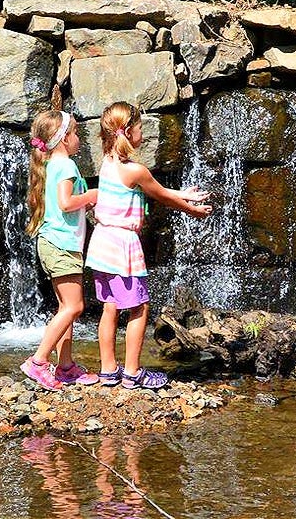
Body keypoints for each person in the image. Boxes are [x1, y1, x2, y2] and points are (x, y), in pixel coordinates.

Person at [86, 101, 212, 390]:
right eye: (141, 128)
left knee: (109, 307)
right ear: (130, 131)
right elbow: (160, 195)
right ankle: (132, 373)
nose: (143, 133)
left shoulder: (108, 161)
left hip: (101, 244)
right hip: (123, 248)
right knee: (139, 308)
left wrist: (184, 193)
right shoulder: (135, 170)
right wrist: (190, 209)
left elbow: (154, 187)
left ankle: (108, 370)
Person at [21, 109, 100, 391]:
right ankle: (38, 361)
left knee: (66, 308)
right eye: (75, 133)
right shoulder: (66, 166)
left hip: (53, 243)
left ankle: (65, 367)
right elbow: (66, 203)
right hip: (62, 245)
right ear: (64, 138)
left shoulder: (50, 165)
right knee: (75, 306)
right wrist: (90, 196)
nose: (79, 138)